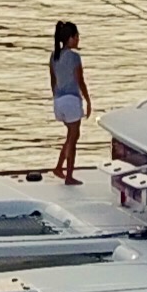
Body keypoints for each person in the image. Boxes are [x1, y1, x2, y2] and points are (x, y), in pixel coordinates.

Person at [46, 19, 90, 183]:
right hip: (71, 100)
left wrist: (56, 98)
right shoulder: (74, 57)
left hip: (58, 100)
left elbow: (53, 81)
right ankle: (69, 176)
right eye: (77, 36)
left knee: (71, 135)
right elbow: (80, 81)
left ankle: (59, 167)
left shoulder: (53, 56)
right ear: (70, 38)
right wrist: (88, 101)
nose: (78, 39)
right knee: (73, 138)